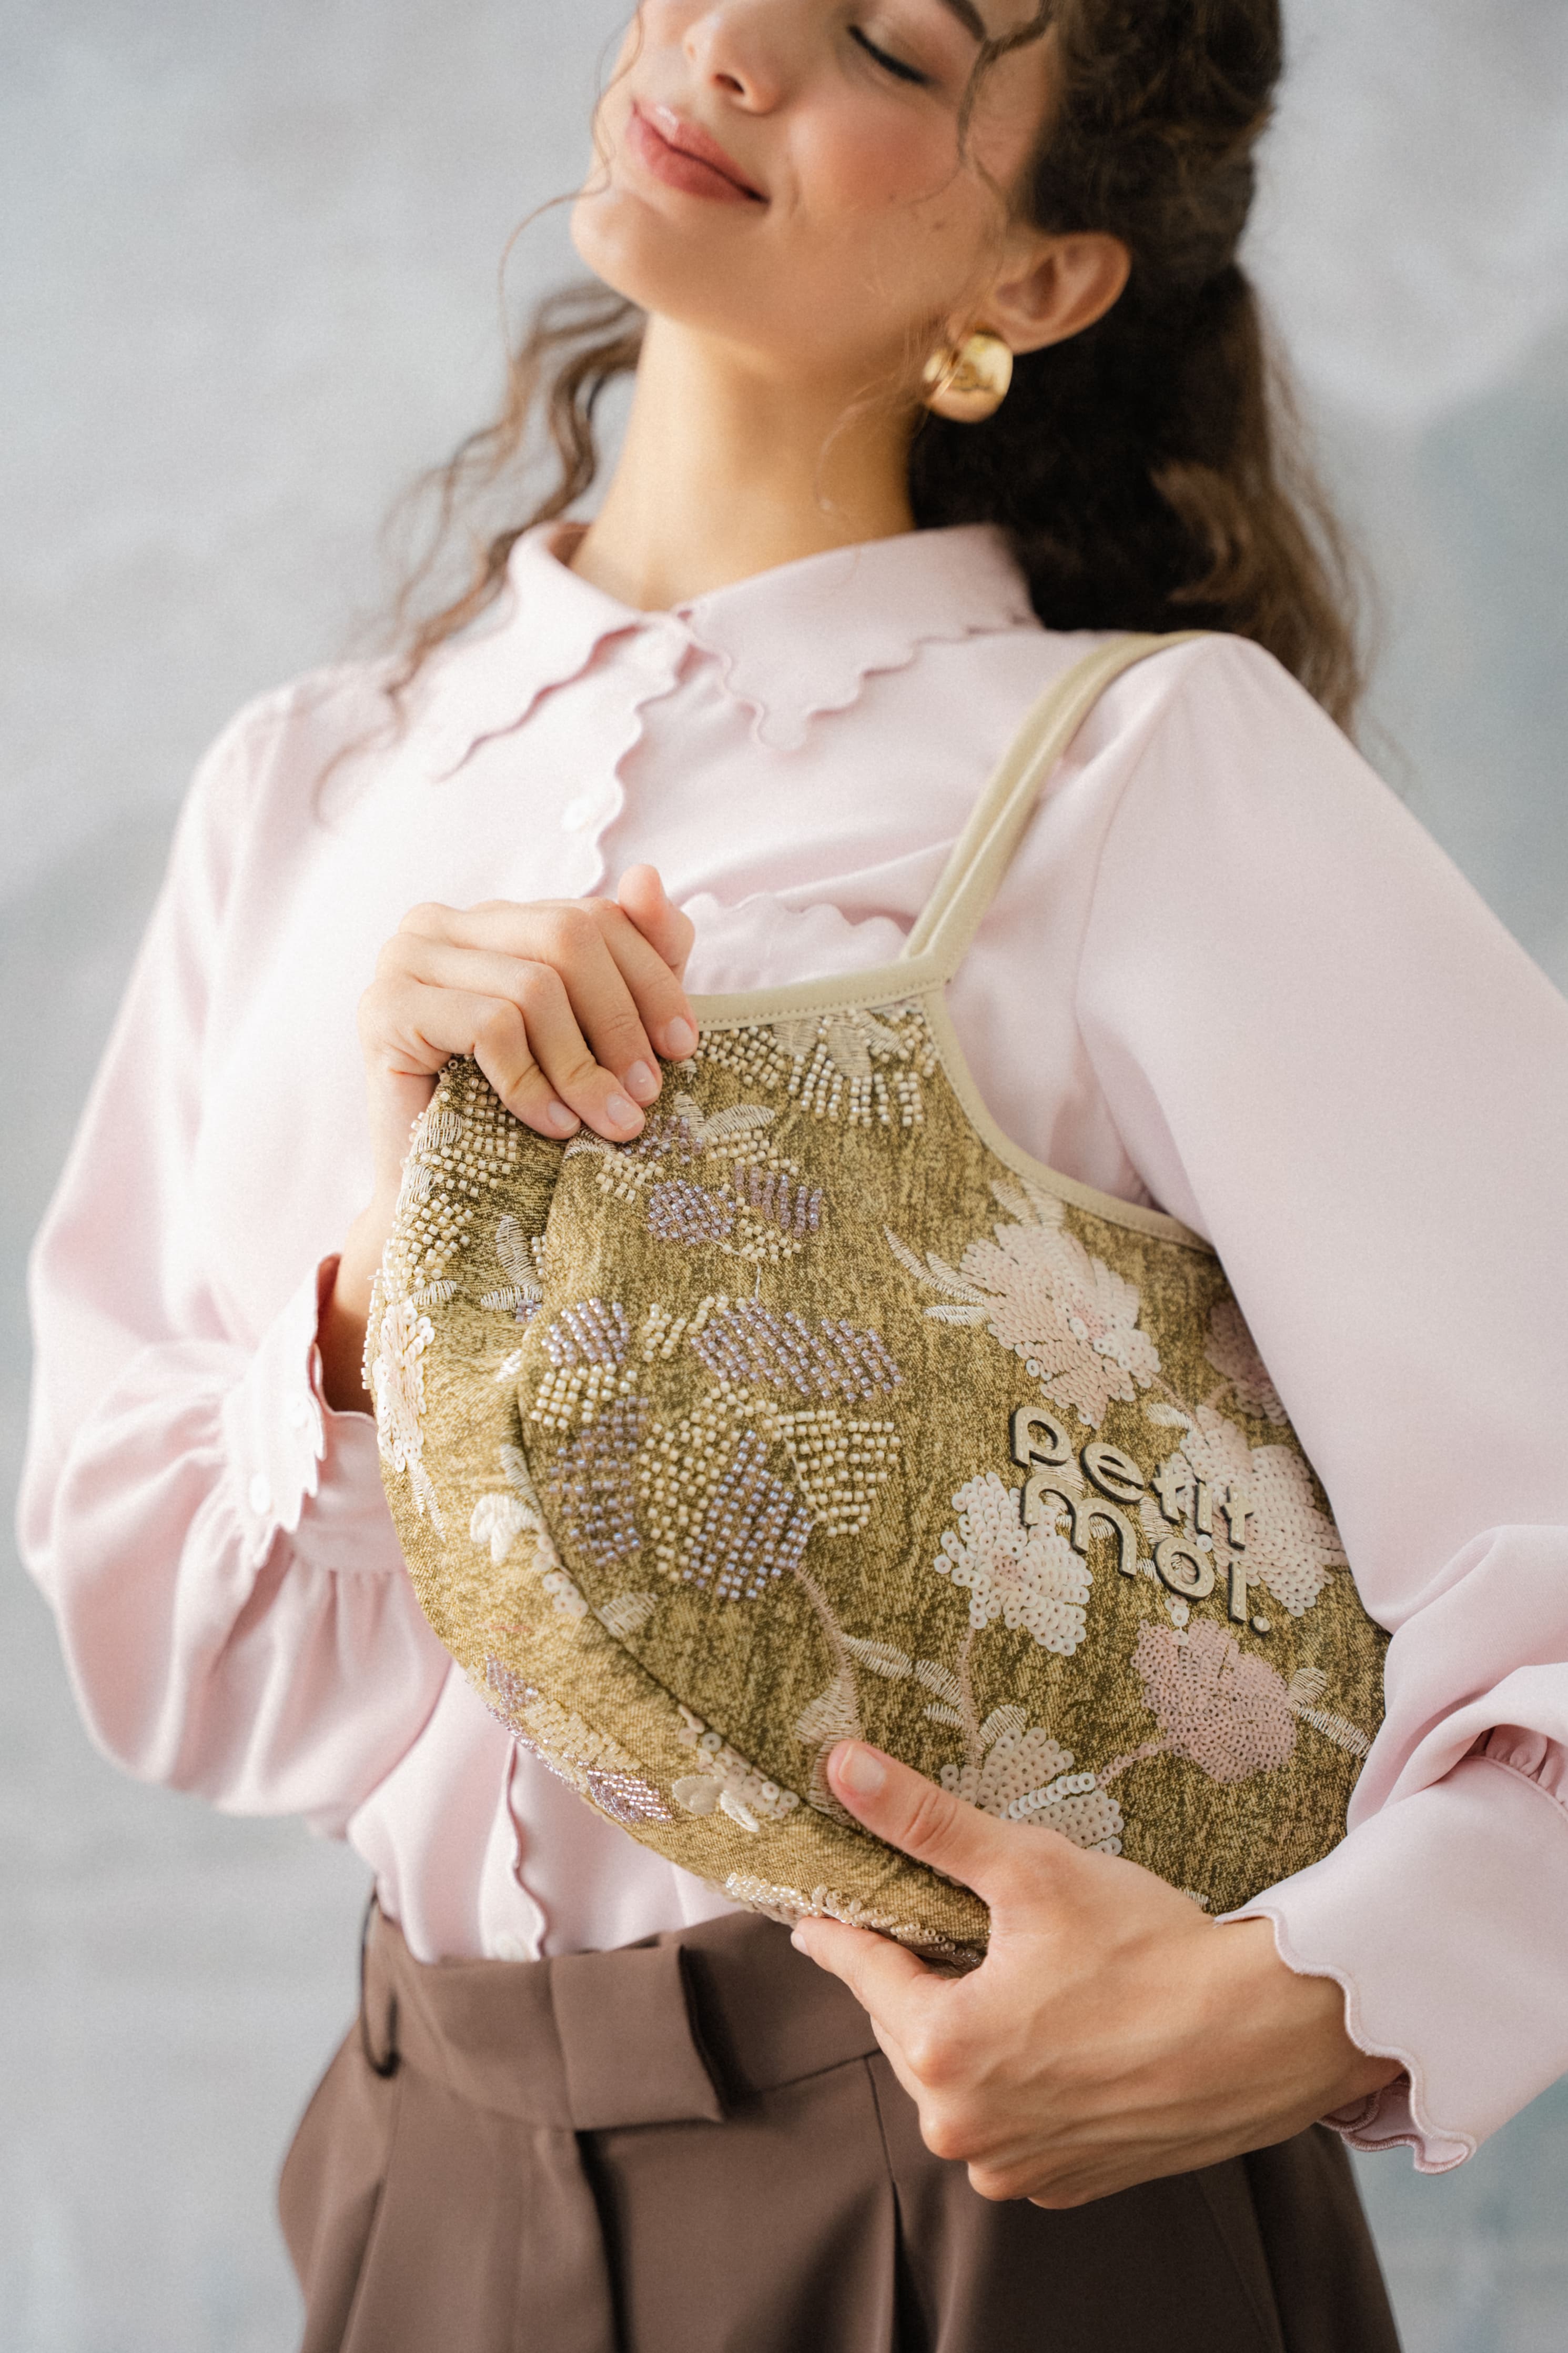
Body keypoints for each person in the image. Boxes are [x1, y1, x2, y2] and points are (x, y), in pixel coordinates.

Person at [19, 2, 1568, 2347]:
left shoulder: (1134, 769)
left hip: (983, 2189)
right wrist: (371, 1300)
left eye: (888, 43)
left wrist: (1308, 2006)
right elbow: (176, 1667)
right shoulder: (308, 791)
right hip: (419, 2180)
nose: (735, 43)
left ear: (1039, 279)